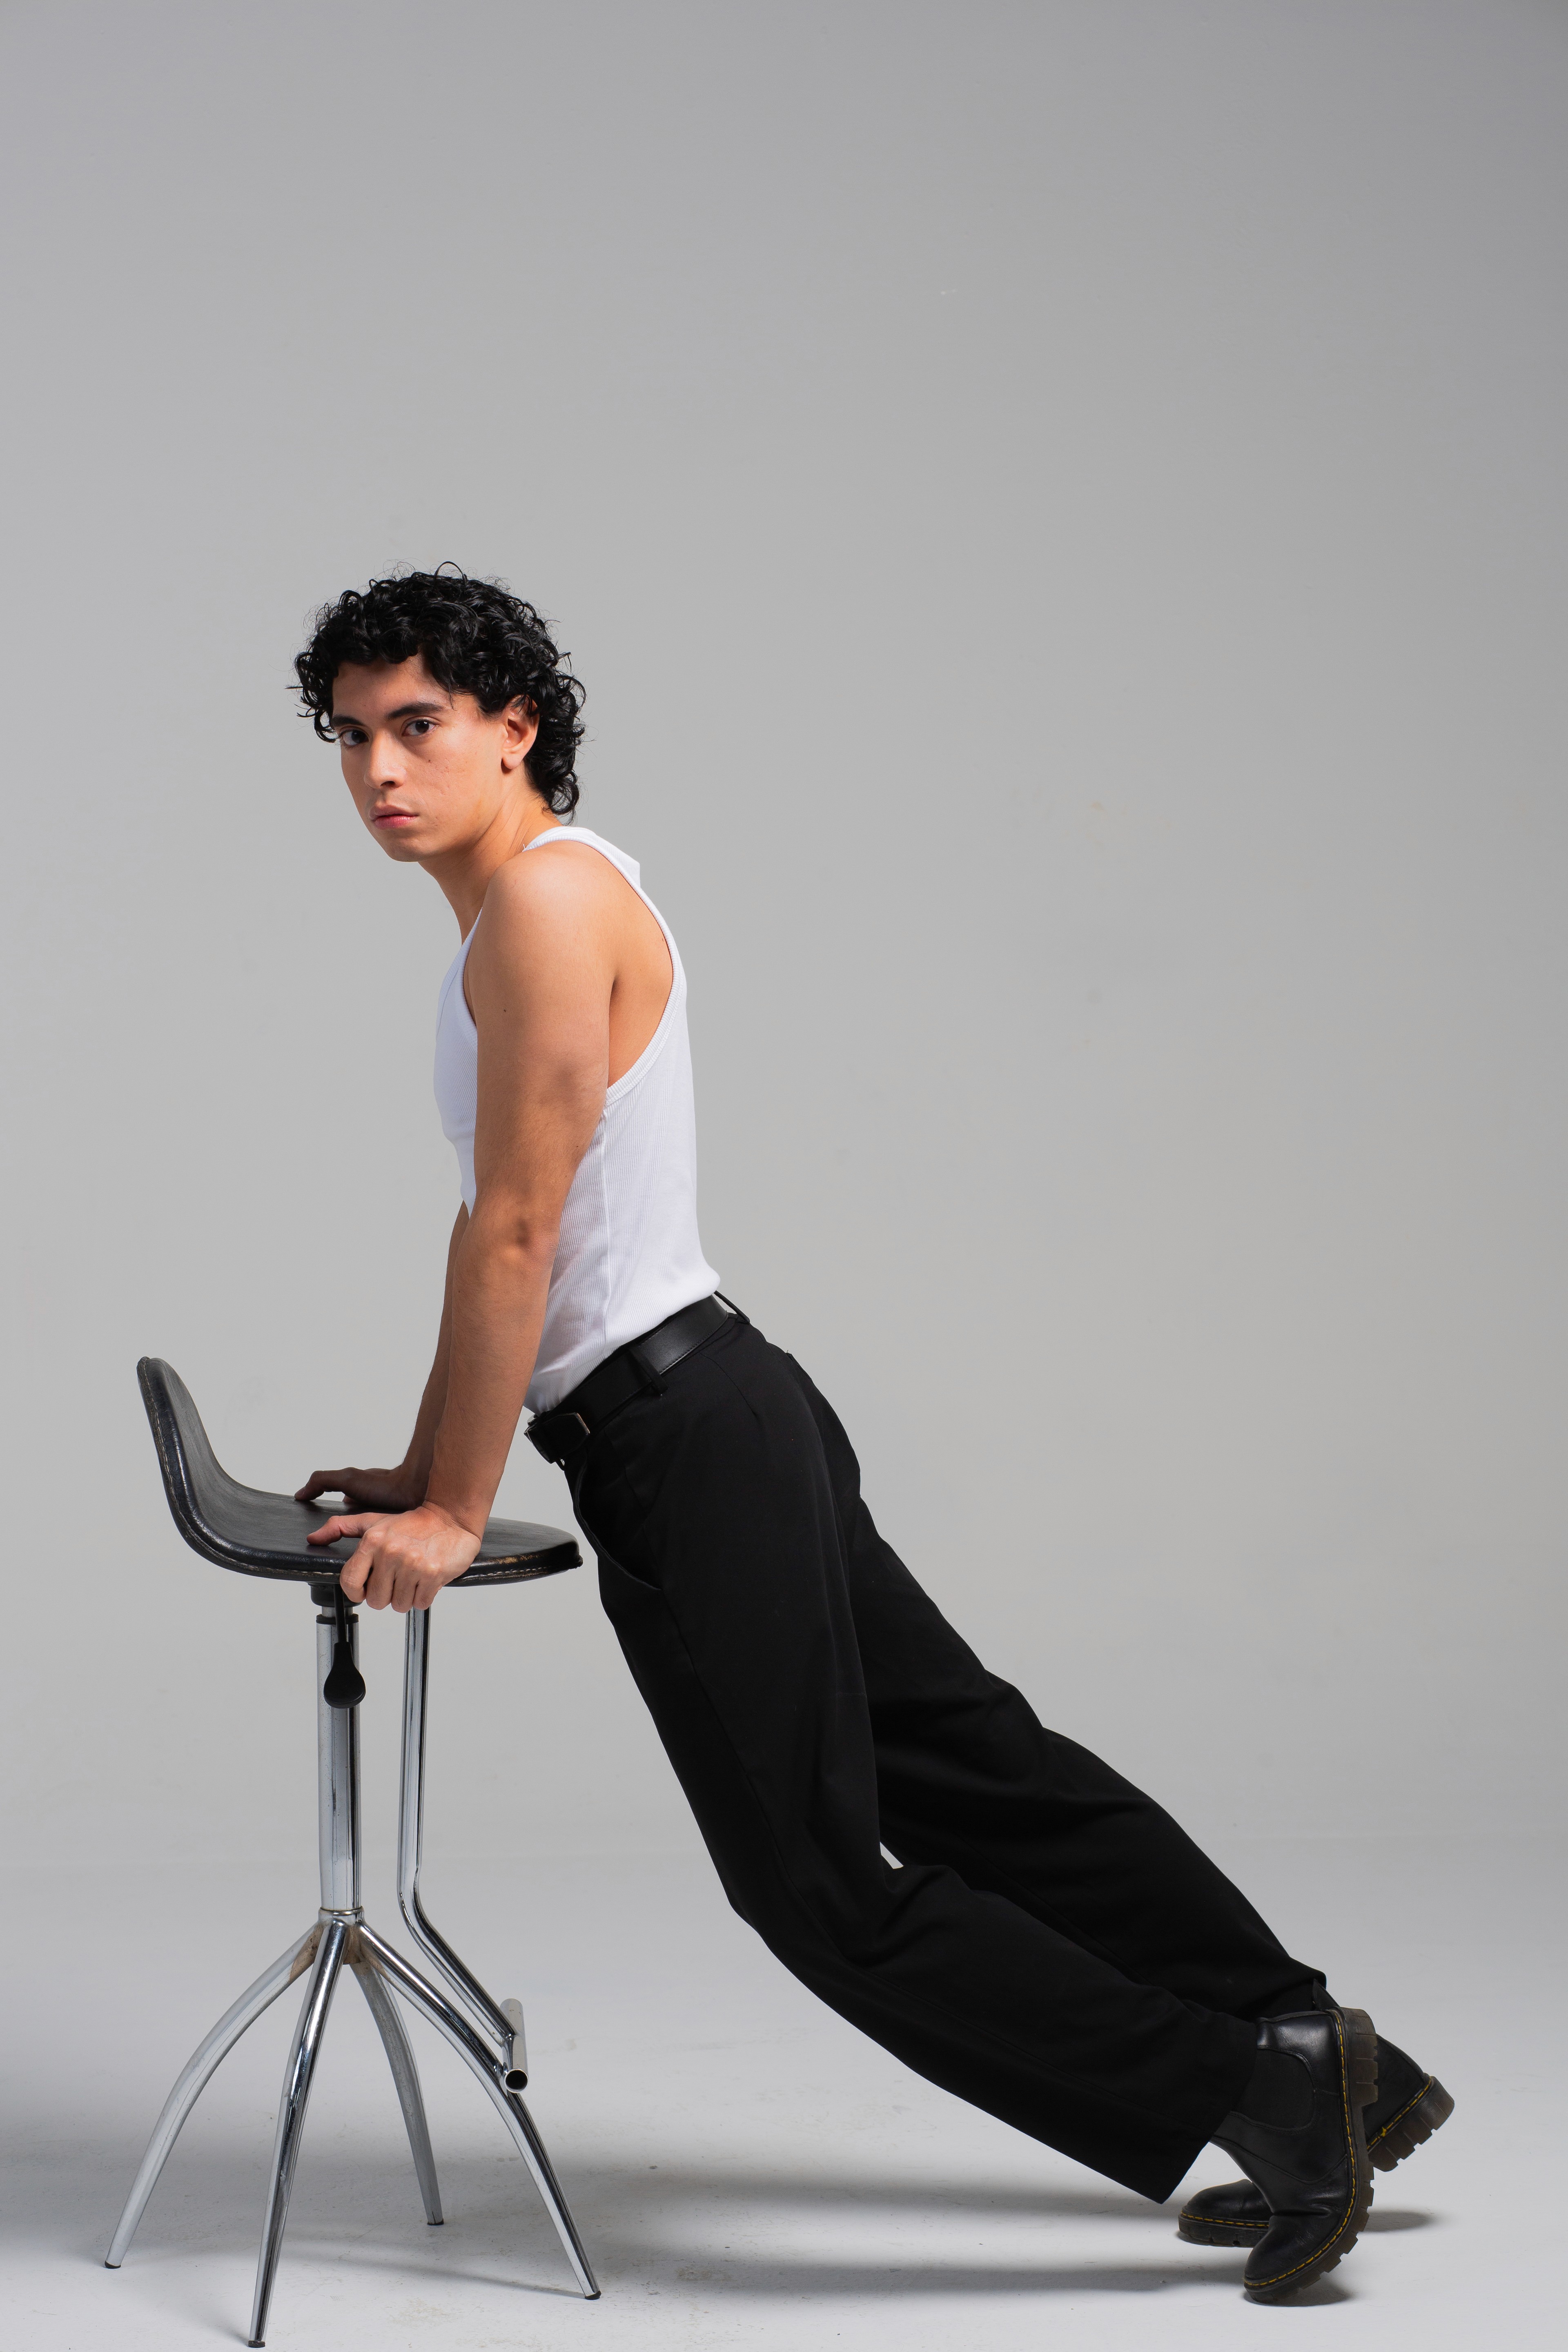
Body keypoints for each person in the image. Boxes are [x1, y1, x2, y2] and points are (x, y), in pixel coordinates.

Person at [291, 568, 1450, 2301]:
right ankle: (1331, 2054)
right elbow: (505, 1236)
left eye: (418, 724)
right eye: (349, 736)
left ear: (513, 727)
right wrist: (423, 1460)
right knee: (979, 1772)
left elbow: (522, 1236)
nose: (381, 768)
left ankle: (1272, 2096)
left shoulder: (540, 903)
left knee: (825, 1890)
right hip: (723, 1406)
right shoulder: (538, 904)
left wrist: (455, 1512)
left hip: (687, 1440)